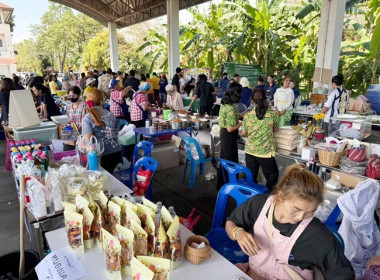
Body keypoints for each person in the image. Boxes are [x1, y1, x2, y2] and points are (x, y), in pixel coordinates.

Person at [226, 163, 355, 280]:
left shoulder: (315, 234)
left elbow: (343, 275)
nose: (300, 217)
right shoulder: (258, 205)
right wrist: (238, 232)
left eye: (310, 212)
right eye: (296, 209)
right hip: (254, 274)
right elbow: (231, 222)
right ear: (281, 196)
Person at [242, 88, 279, 191]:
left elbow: (244, 133)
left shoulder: (248, 116)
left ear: (252, 100)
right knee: (272, 176)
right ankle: (268, 200)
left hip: (250, 151)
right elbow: (275, 130)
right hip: (265, 152)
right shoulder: (272, 115)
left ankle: (250, 197)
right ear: (265, 99)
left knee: (250, 176)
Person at [82, 88, 121, 173]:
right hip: (116, 152)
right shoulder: (110, 114)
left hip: (100, 155)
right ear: (101, 101)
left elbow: (89, 140)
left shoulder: (87, 118)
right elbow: (116, 133)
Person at [217, 83, 243, 189]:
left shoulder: (227, 104)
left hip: (224, 134)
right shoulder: (231, 108)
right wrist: (241, 123)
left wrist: (242, 115)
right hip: (228, 135)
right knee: (230, 161)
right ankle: (230, 185)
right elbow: (230, 128)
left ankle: (222, 184)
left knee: (224, 159)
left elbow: (232, 117)